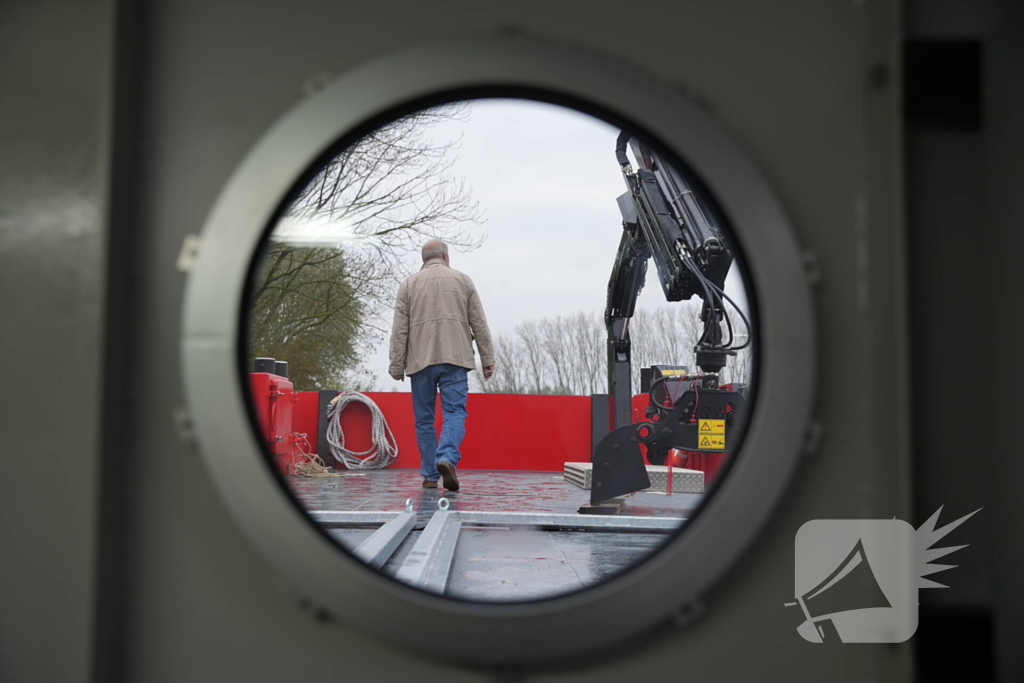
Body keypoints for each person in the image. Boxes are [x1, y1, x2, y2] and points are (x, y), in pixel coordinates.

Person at [388, 239, 495, 490]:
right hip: (455, 359)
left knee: (424, 419)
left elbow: (399, 330)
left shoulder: (408, 285)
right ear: (446, 257)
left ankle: (429, 475)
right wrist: (487, 358)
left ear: (424, 260)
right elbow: (478, 322)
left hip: (419, 361)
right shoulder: (463, 281)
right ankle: (446, 458)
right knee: (454, 412)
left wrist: (396, 365)